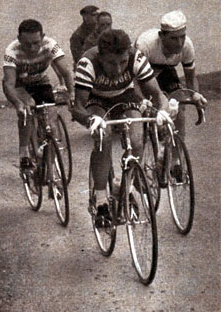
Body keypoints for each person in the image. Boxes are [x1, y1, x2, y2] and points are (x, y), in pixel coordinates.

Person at [72, 28, 170, 227]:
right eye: (111, 63)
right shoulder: (88, 63)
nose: (118, 69)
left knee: (137, 140)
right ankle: (100, 200)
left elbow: (158, 95)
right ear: (101, 56)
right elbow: (78, 107)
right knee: (104, 137)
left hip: (125, 96)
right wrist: (90, 121)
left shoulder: (136, 58)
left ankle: (126, 188)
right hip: (97, 99)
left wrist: (163, 111)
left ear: (128, 55)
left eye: (123, 62)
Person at [3, 19, 75, 171]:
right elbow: (9, 84)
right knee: (27, 109)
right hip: (19, 85)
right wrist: (18, 104)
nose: (32, 48)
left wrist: (72, 93)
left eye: (36, 43)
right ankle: (24, 153)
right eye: (27, 44)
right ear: (19, 39)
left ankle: (50, 165)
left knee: (51, 117)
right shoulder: (12, 51)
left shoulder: (50, 44)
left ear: (43, 37)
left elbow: (67, 72)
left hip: (40, 82)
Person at [134, 10, 207, 140]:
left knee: (178, 104)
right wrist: (142, 100)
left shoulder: (187, 45)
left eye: (182, 36)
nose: (179, 43)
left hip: (166, 72)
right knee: (149, 105)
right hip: (143, 74)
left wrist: (195, 95)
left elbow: (190, 78)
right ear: (161, 36)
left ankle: (176, 147)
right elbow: (134, 82)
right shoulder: (145, 44)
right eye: (173, 38)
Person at [70, 5, 99, 70]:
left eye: (98, 14)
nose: (97, 17)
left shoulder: (100, 30)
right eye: (94, 15)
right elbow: (78, 58)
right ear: (85, 17)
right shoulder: (77, 36)